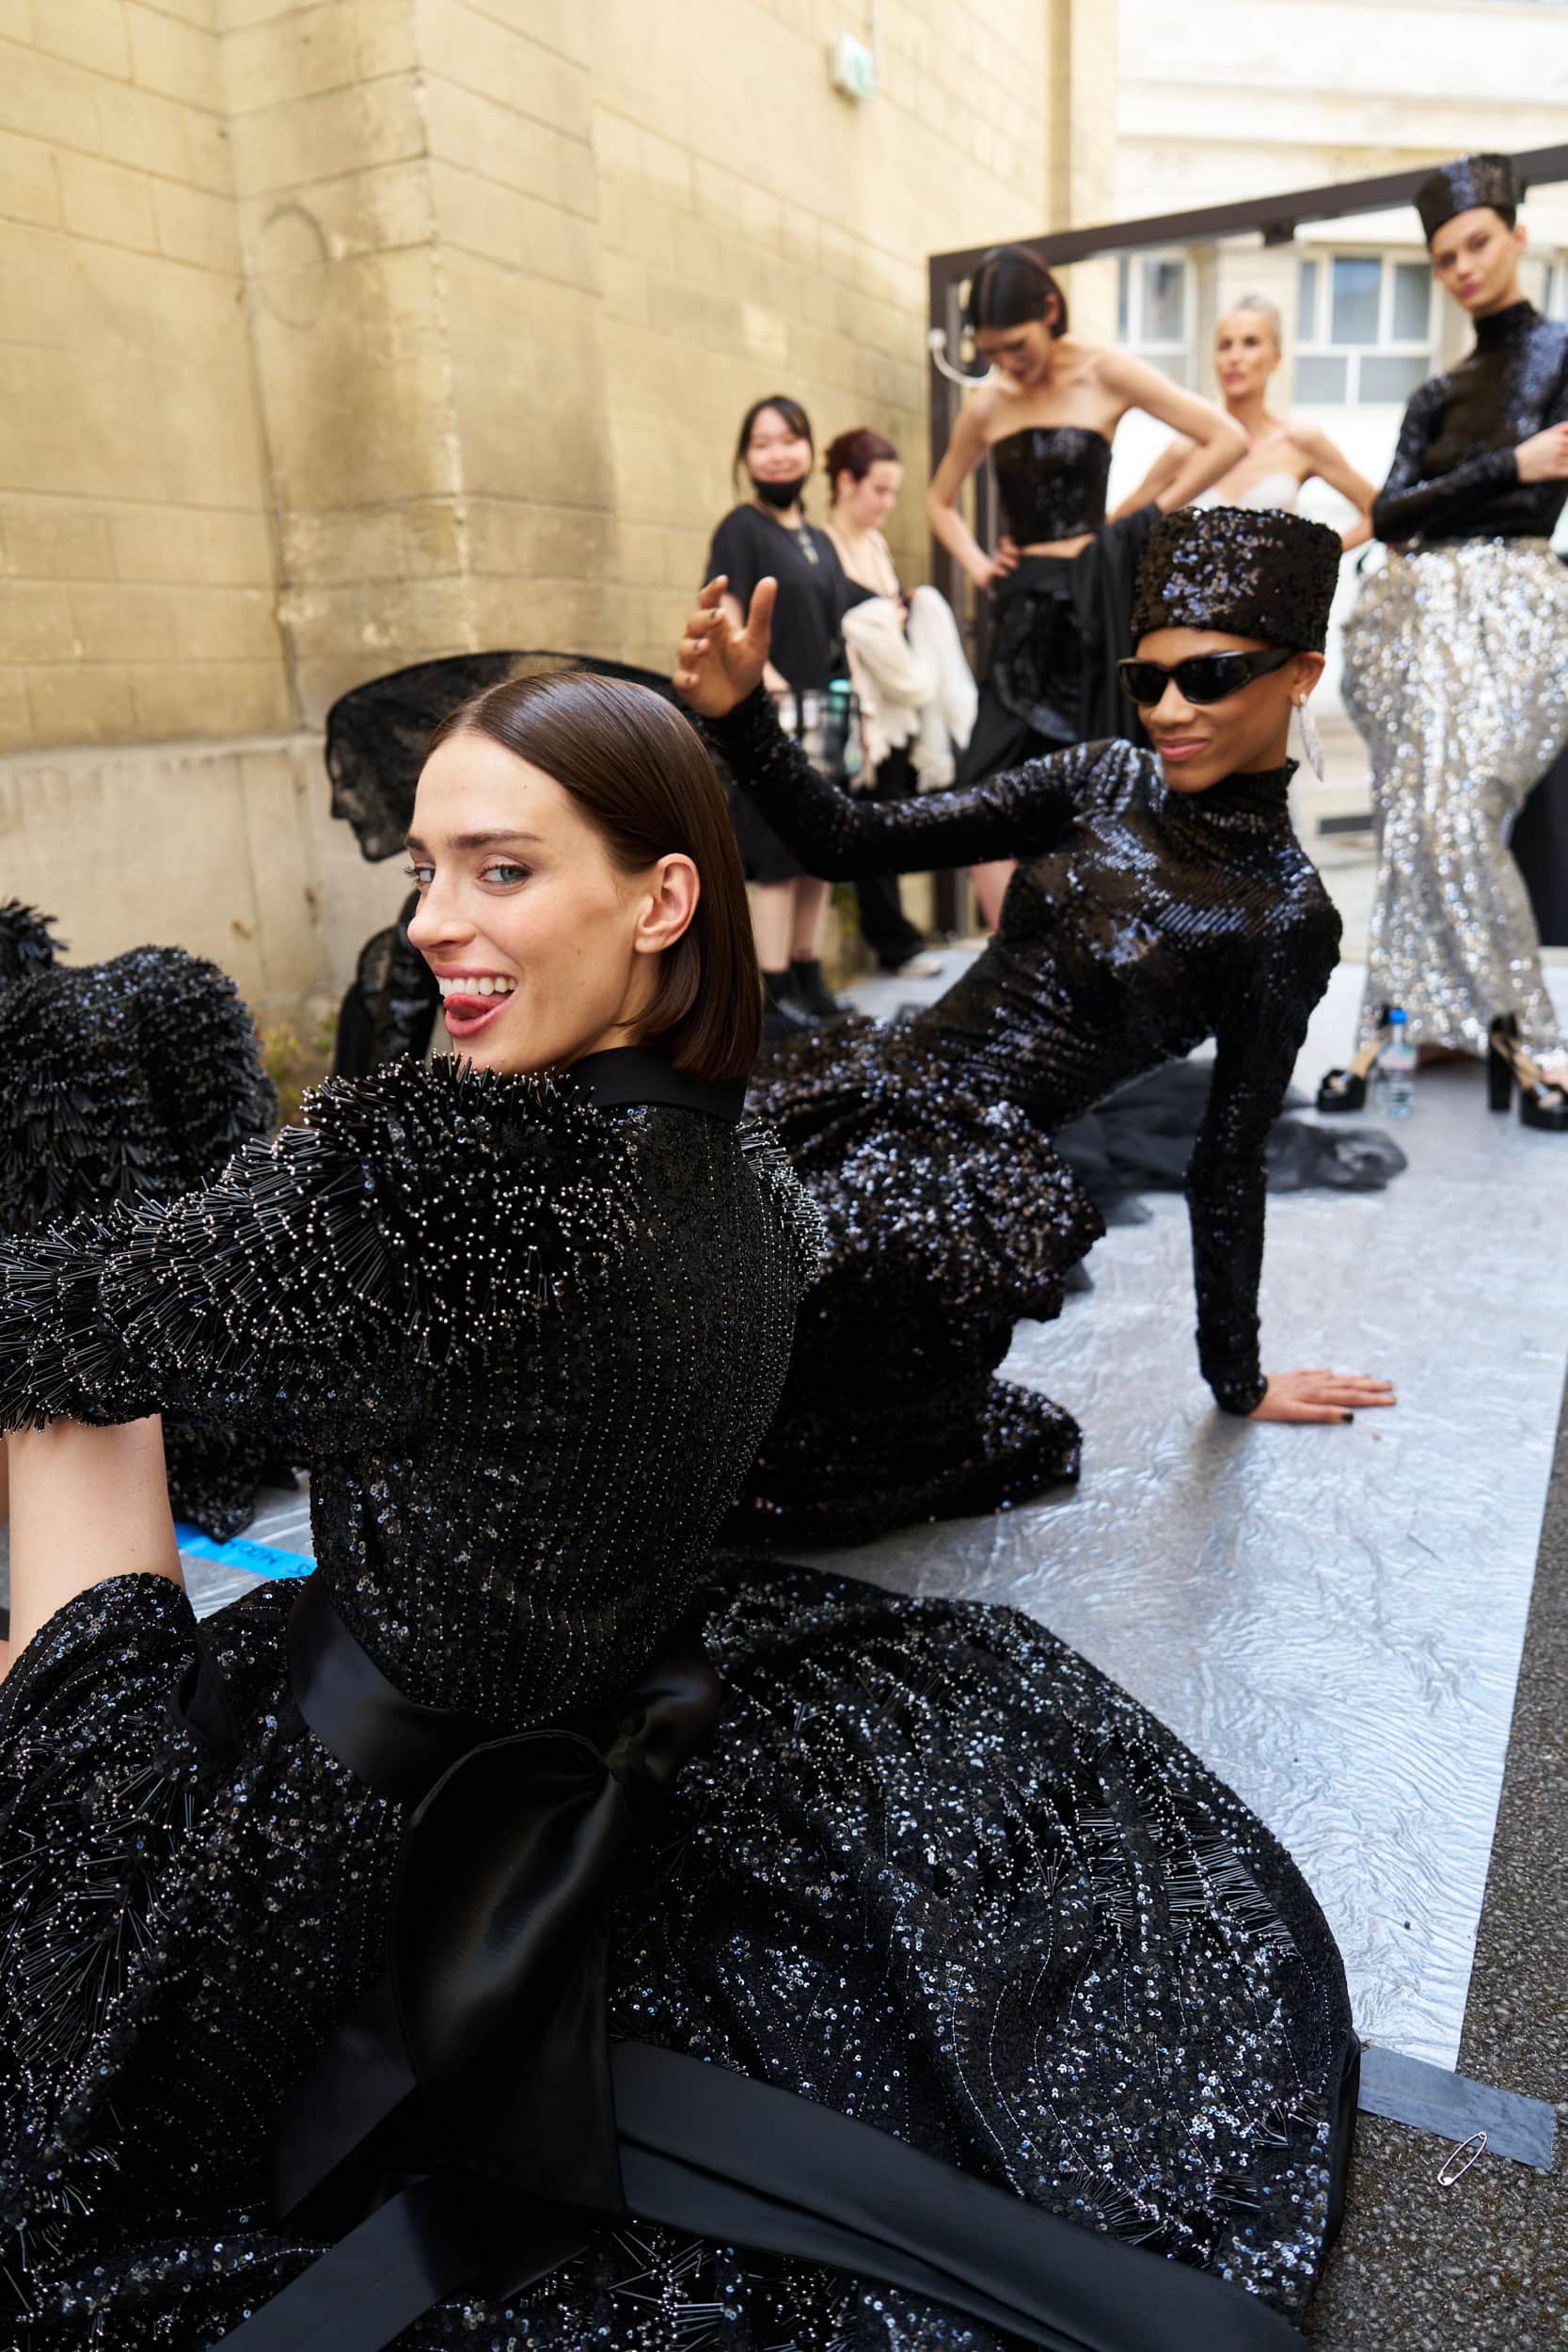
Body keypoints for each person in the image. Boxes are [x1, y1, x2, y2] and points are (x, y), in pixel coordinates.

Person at [0, 670, 1357, 2352]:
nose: (433, 922)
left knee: (58, 1394)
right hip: (545, 1710)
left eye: (501, 870)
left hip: (320, 1855)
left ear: (662, 895)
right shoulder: (744, 1173)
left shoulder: (460, 1187)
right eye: (423, 873)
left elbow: (53, 1331)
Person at [676, 505, 1395, 1547]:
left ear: (1300, 675)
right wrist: (741, 717)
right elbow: (847, 840)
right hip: (864, 1085)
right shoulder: (1098, 775)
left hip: (945, 1194)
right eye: (1145, 680)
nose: (1167, 708)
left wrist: (1234, 1381)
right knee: (657, 1226)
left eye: (1206, 676)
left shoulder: (1283, 919)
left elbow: (1227, 1163)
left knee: (756, 1355)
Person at [1337, 152, 1568, 1126]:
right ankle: (1393, 1017)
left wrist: (1478, 486)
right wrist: (1506, 461)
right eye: (1441, 257)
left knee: (1463, 808)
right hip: (1410, 617)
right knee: (1409, 819)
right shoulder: (1436, 391)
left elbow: (1522, 500)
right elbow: (1390, 512)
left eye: (1475, 243)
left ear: (1515, 236)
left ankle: (1531, 1038)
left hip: (1518, 607)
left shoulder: (1562, 354)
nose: (1462, 266)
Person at [928, 245, 1247, 925]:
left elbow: (1224, 437)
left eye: (1014, 345)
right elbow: (937, 502)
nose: (1006, 362)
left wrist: (1142, 522)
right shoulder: (987, 403)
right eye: (990, 351)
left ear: (1049, 310)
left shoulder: (1106, 370)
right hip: (1020, 607)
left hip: (1094, 597)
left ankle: (1101, 952)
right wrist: (980, 566)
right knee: (983, 783)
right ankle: (1008, 954)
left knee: (1104, 774)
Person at [0, 898, 278, 1538]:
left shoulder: (28, 1028)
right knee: (221, 1203)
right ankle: (246, 1434)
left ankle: (190, 1456)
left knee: (108, 1229)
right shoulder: (150, 984)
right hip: (183, 1004)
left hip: (75, 1065)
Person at [705, 395, 857, 1042]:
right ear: (745, 457)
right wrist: (764, 688)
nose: (777, 452)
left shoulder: (819, 538)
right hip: (773, 717)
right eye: (762, 443)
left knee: (816, 849)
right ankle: (768, 1001)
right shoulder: (740, 527)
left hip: (829, 713)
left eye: (788, 438)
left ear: (808, 448)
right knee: (771, 856)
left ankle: (806, 977)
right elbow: (726, 615)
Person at [822, 425, 946, 979]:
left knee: (891, 816)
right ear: (846, 483)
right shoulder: (823, 545)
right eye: (880, 490)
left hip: (893, 706)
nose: (888, 504)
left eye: (894, 492)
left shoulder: (874, 544)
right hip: (855, 709)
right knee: (866, 819)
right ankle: (893, 941)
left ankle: (899, 940)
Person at [1122, 294, 1376, 544]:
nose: (1235, 357)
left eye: (1250, 343)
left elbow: (1377, 512)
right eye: (1225, 345)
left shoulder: (1301, 441)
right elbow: (1120, 524)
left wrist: (1314, 565)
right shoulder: (1186, 449)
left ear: (1276, 358)